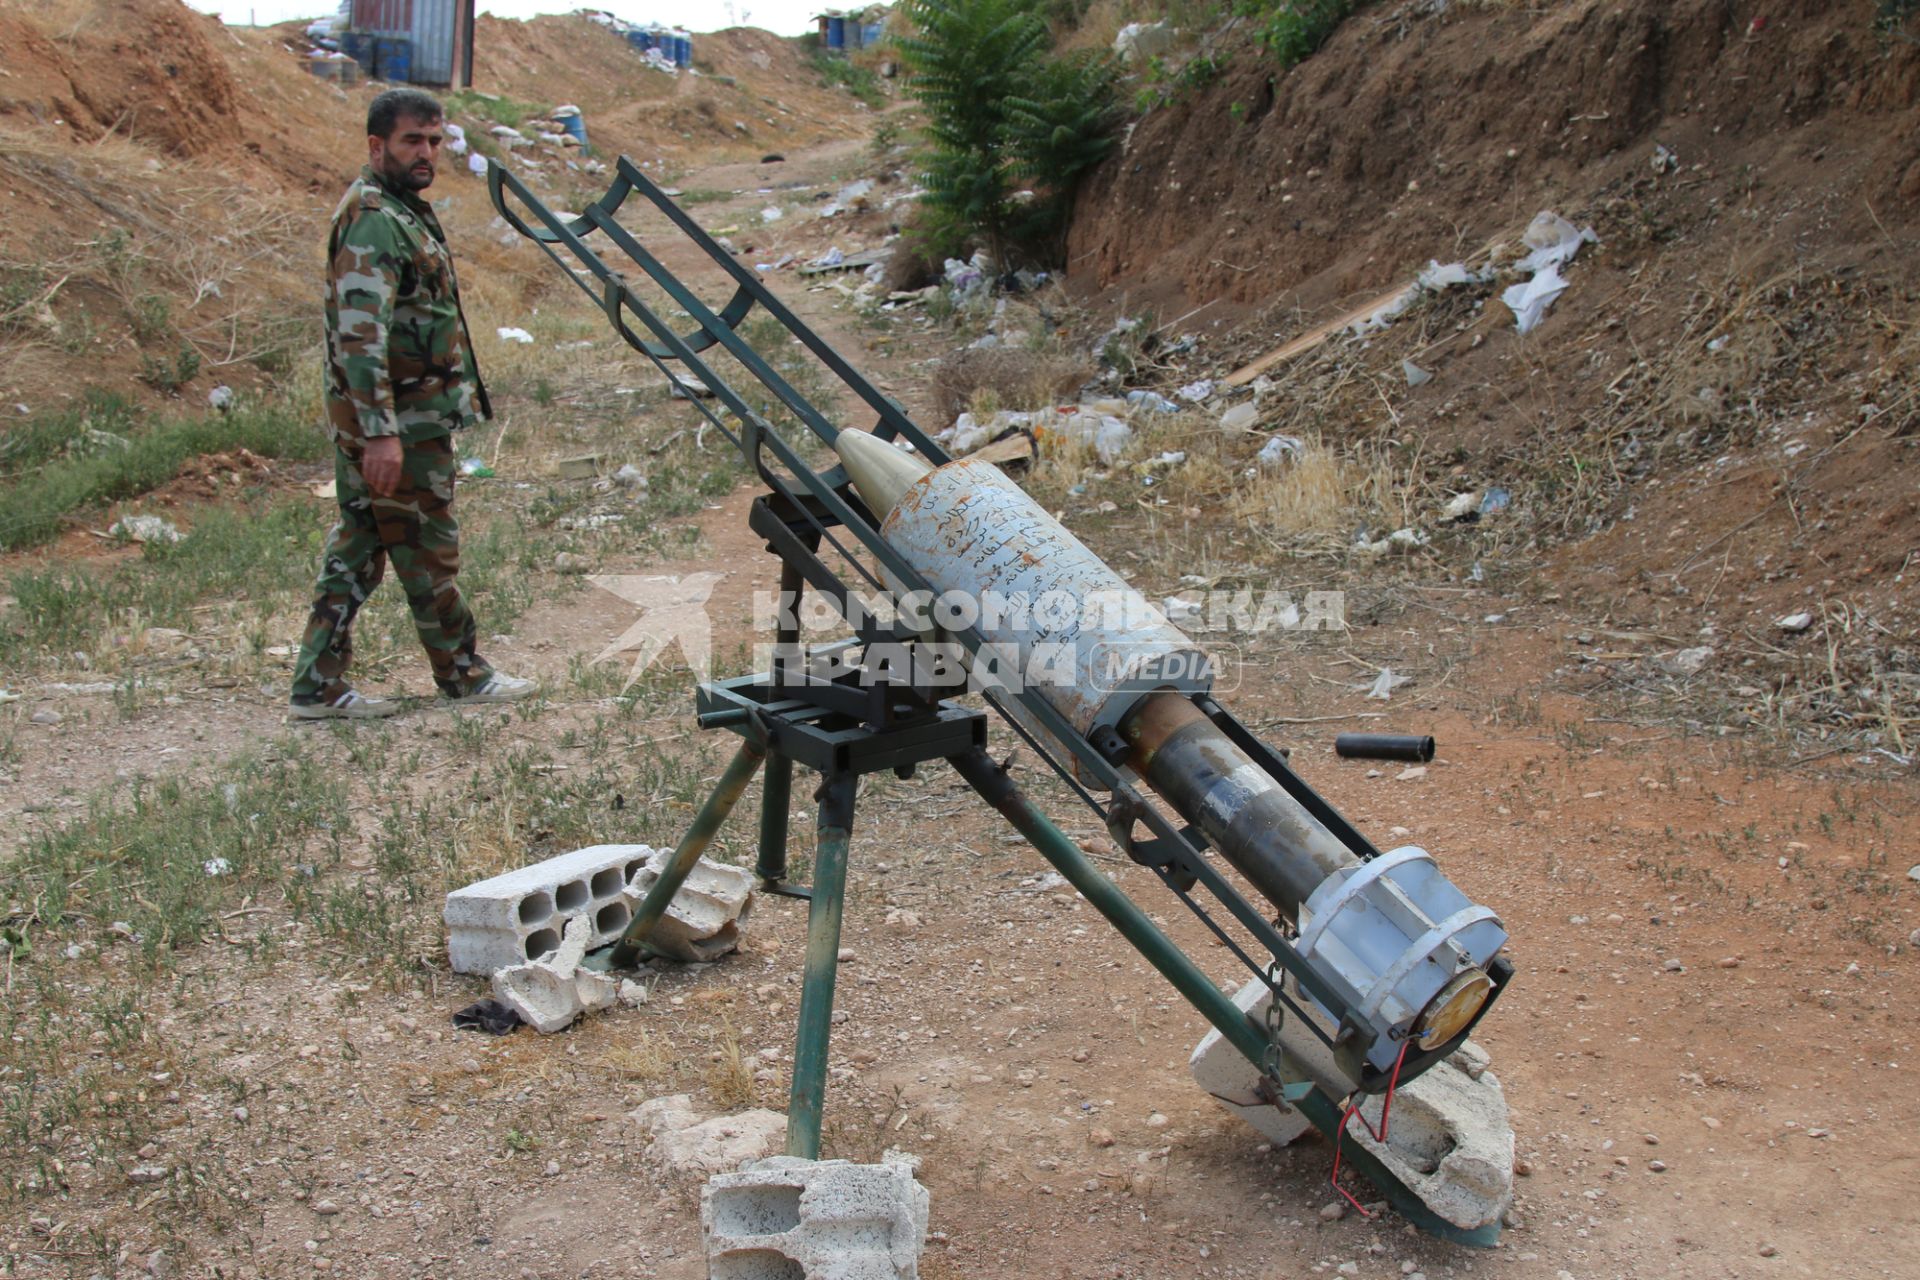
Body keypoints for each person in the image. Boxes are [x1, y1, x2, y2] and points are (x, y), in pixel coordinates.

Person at [290, 88, 536, 719]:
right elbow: (360, 335)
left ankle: (316, 687)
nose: (427, 152)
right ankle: (464, 675)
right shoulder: (374, 217)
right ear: (378, 146)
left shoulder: (400, 209)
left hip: (403, 419)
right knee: (427, 547)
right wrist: (380, 434)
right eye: (412, 141)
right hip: (397, 425)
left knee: (361, 546)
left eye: (434, 140)